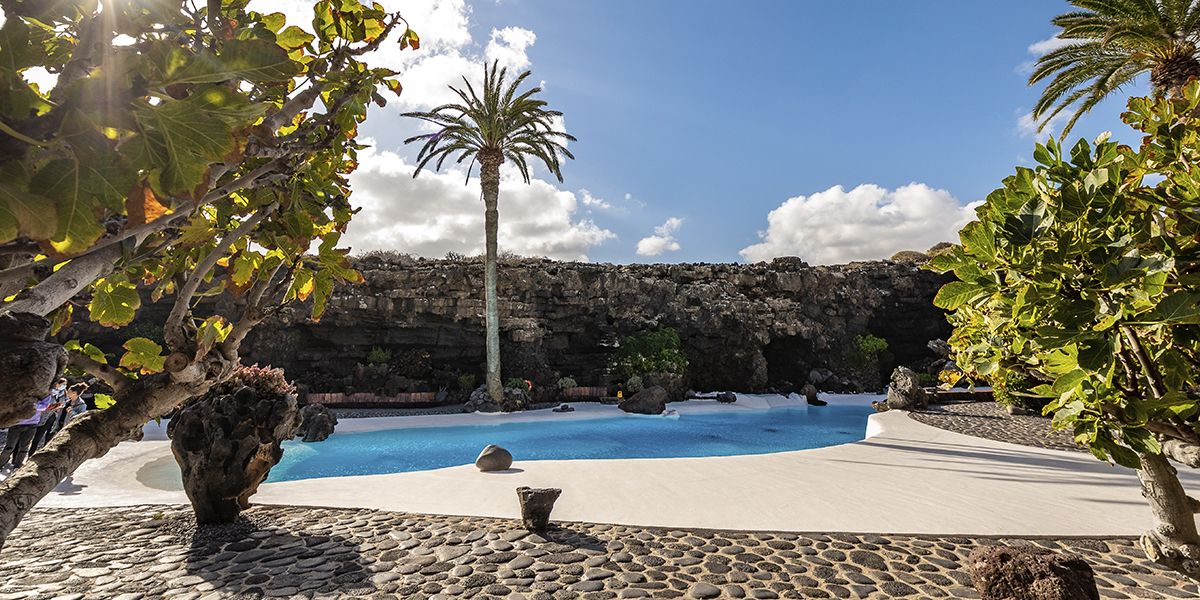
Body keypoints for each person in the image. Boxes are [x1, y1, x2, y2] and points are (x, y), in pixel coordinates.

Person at [0, 394, 56, 472]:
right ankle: (1, 464)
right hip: (17, 422)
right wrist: (33, 405)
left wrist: (29, 404)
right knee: (9, 447)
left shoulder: (45, 394)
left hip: (32, 423)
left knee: (24, 447)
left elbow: (44, 406)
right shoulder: (25, 390)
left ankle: (17, 465)